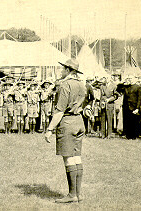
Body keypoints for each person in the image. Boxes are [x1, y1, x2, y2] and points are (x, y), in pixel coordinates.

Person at [45, 59, 86, 203]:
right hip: (79, 121)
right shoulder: (82, 85)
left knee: (68, 158)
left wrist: (49, 129)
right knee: (77, 157)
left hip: (67, 122)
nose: (61, 71)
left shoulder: (65, 85)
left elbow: (59, 110)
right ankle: (78, 194)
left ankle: (72, 195)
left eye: (63, 69)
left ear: (69, 70)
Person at [116, 75, 141, 139]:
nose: (130, 80)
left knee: (134, 121)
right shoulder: (126, 87)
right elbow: (118, 89)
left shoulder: (138, 87)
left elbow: (139, 98)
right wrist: (123, 82)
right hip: (126, 106)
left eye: (131, 78)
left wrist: (137, 108)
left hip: (134, 106)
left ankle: (134, 135)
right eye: (129, 79)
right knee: (127, 121)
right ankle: (128, 135)